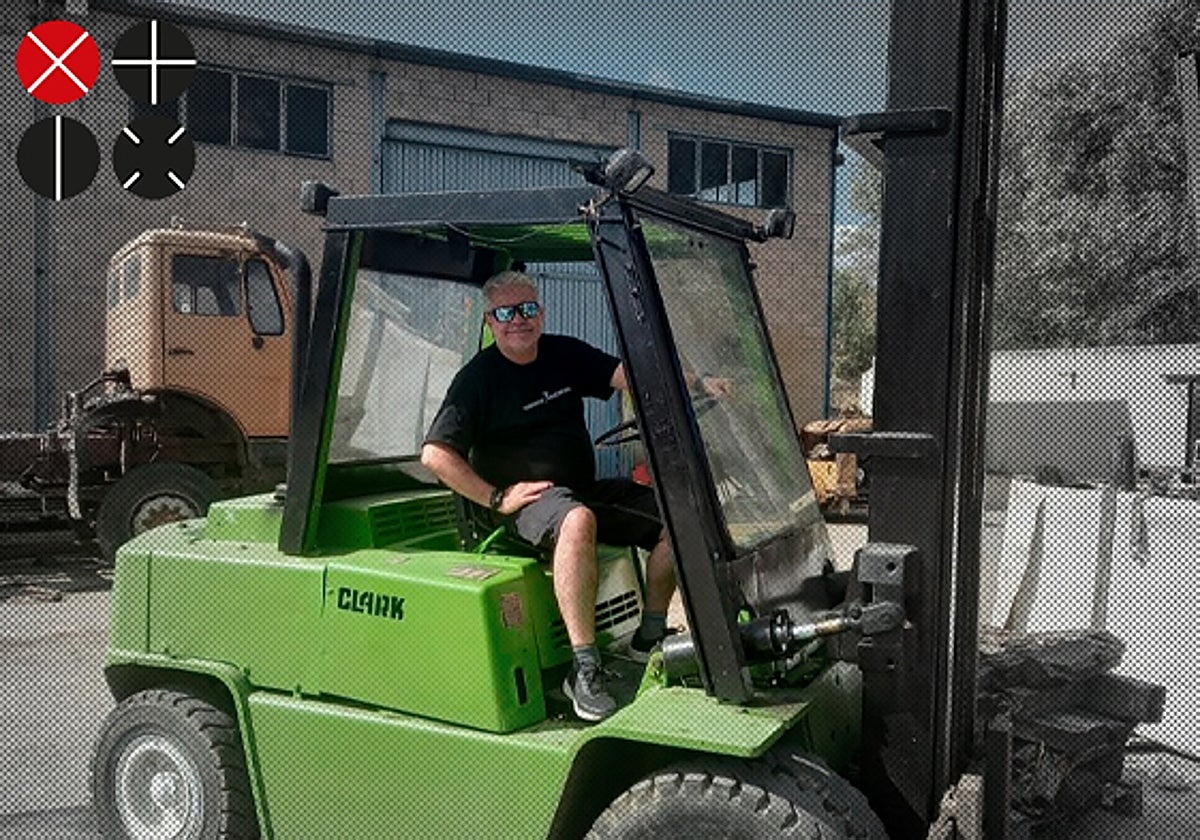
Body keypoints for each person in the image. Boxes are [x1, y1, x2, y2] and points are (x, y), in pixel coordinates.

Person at [421, 270, 676, 722]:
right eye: (505, 312)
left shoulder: (563, 353)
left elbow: (628, 375)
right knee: (577, 521)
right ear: (489, 321)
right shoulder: (478, 379)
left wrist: (692, 383)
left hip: (578, 491)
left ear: (540, 311)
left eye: (526, 309)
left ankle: (648, 637)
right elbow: (436, 455)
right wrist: (496, 497)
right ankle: (584, 667)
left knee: (682, 520)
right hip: (523, 507)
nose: (517, 319)